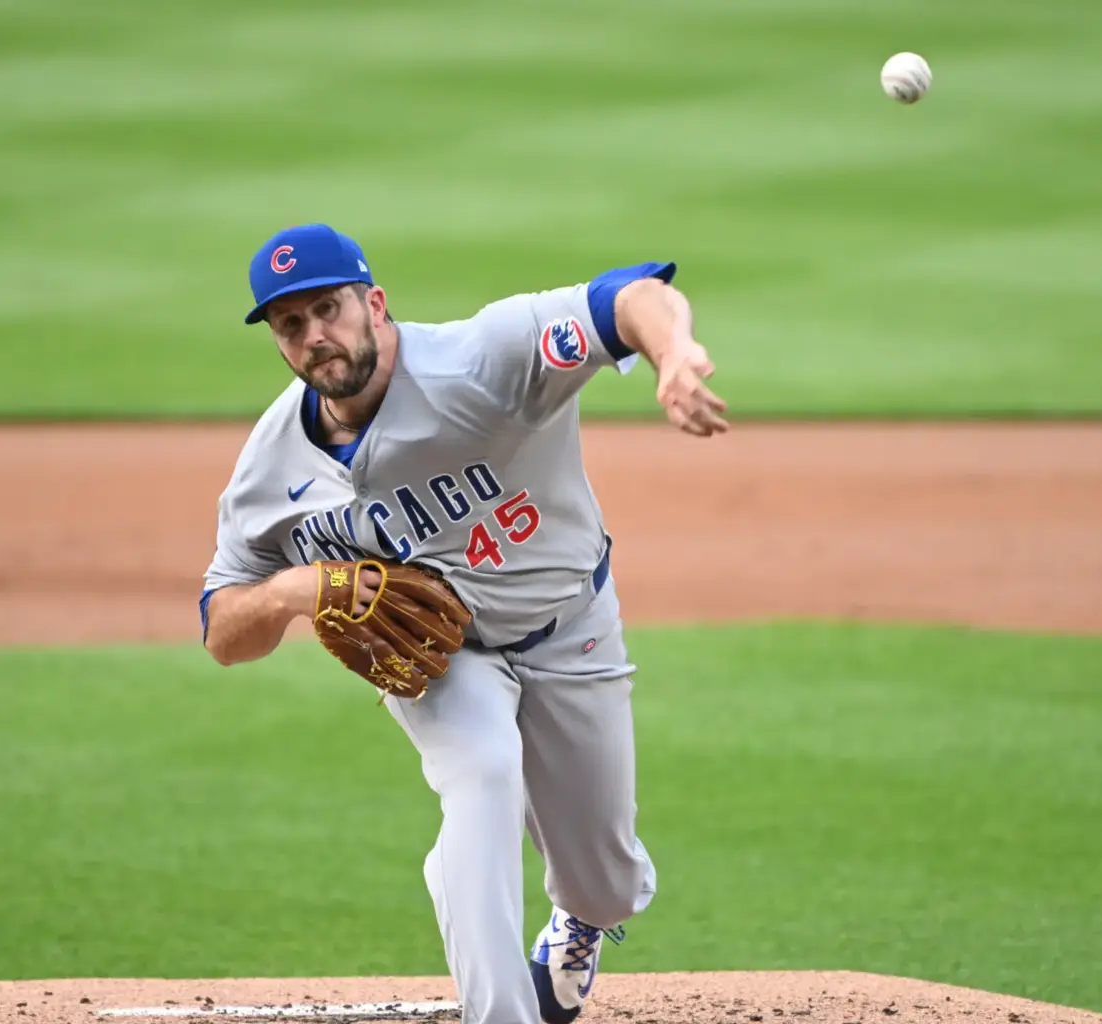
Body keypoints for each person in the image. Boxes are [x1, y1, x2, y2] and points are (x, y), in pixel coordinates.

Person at [199, 223, 728, 1024]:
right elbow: (224, 631)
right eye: (290, 324)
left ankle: (580, 920)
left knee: (606, 884)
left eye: (328, 309)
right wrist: (294, 591)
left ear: (374, 304)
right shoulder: (271, 466)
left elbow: (629, 297)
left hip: (569, 625)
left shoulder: (484, 359)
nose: (315, 336)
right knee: (481, 773)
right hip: (444, 661)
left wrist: (676, 353)